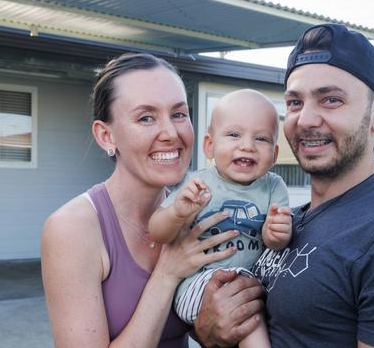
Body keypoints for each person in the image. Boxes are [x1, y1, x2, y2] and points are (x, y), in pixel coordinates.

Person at [194, 23, 374, 347]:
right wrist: (208, 329)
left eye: (331, 100)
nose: (306, 119)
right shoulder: (286, 221)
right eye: (295, 102)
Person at [41, 53, 240, 348]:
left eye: (179, 114)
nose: (171, 133)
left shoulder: (195, 212)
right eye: (146, 118)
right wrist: (167, 274)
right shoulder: (72, 229)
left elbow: (209, 331)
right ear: (106, 135)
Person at [148, 89, 292, 347]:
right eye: (234, 134)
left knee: (259, 299)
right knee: (246, 304)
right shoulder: (199, 183)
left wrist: (276, 234)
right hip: (198, 287)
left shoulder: (273, 187)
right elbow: (157, 232)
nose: (247, 145)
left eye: (261, 138)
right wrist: (177, 214)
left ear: (274, 152)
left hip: (246, 284)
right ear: (209, 145)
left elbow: (277, 244)